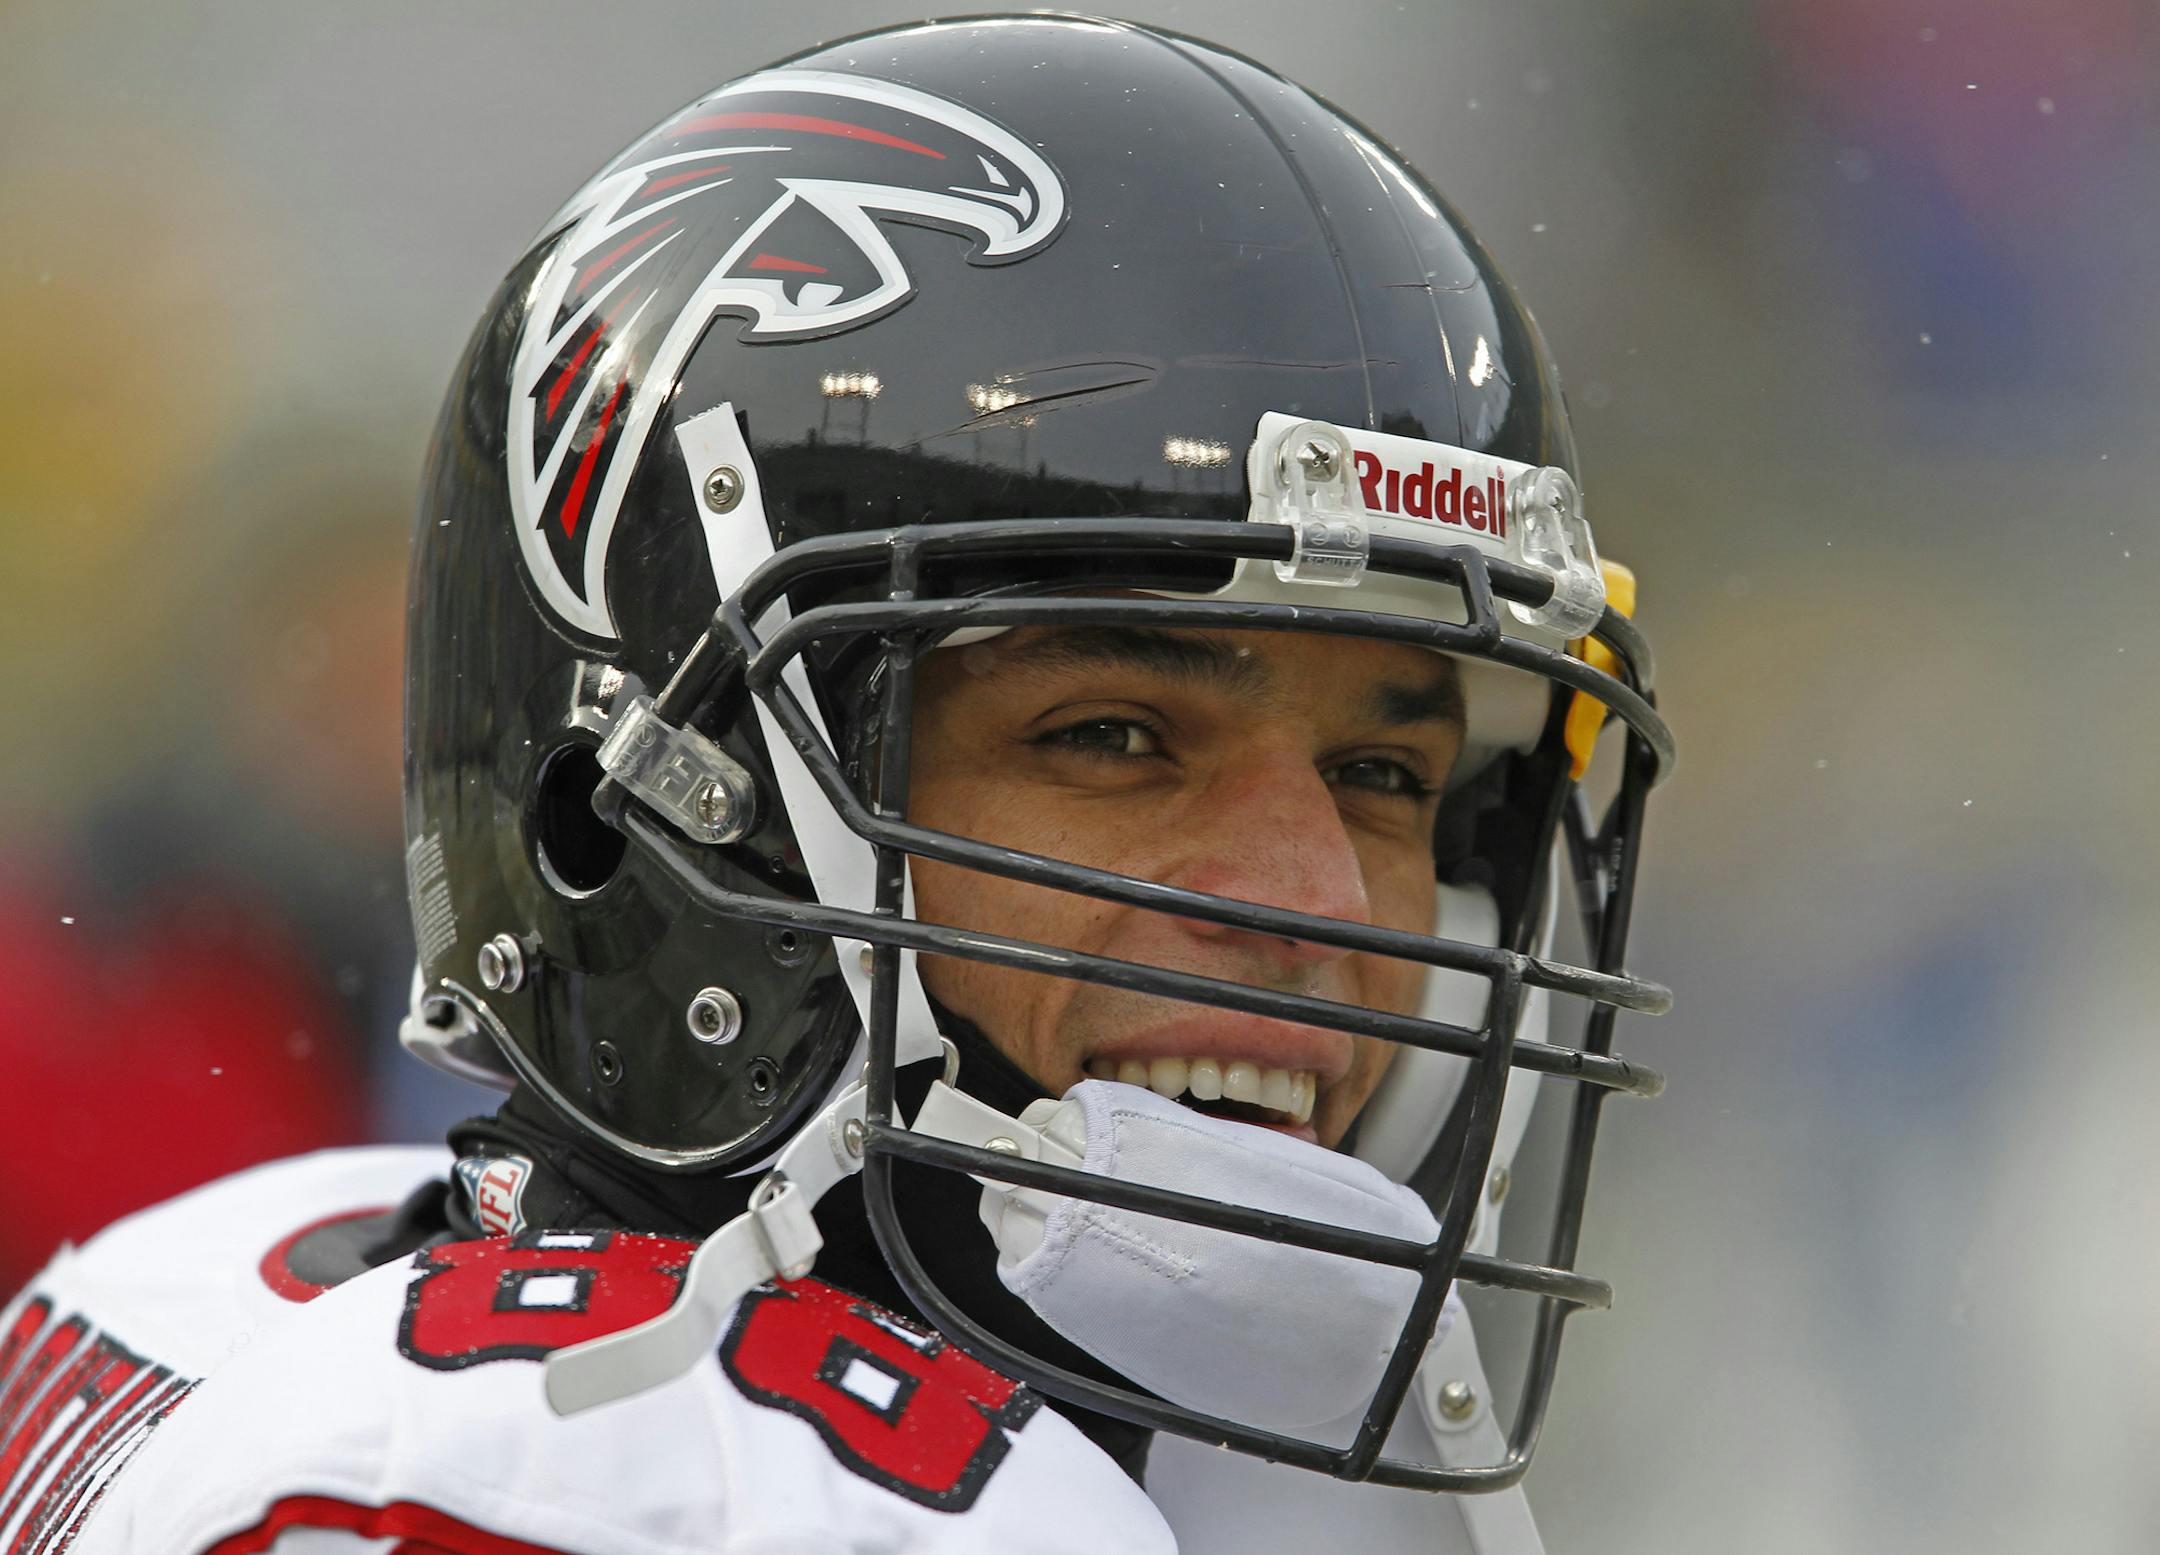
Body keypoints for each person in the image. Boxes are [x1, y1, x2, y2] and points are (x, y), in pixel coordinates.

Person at [0, 16, 1675, 1555]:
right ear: (631, 804)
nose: (1322, 903)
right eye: (1112, 738)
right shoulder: (648, 1492)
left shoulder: (248, 1269)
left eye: (1386, 773)